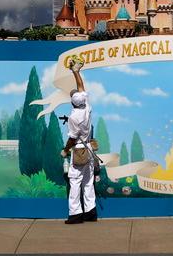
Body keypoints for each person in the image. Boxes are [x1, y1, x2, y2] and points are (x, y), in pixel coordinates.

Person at [60, 58, 97, 224]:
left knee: (75, 182)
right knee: (88, 182)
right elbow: (81, 87)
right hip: (89, 149)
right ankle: (90, 212)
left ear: (72, 103)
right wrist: (76, 72)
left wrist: (65, 150)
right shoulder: (87, 107)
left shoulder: (74, 117)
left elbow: (72, 138)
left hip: (79, 151)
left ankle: (75, 214)